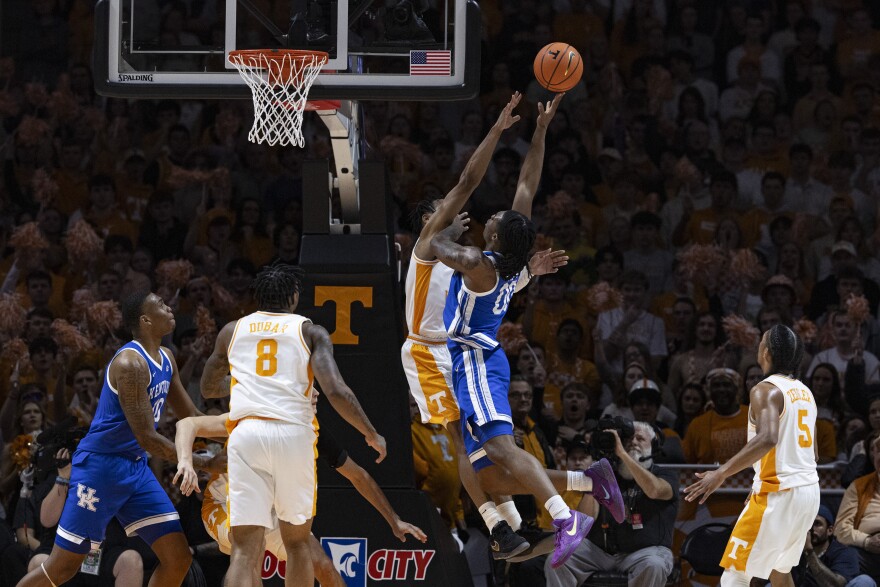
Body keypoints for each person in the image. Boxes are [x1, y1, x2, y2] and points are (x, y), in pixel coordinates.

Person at [430, 156, 625, 568]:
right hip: (469, 365)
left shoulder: (479, 265)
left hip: (476, 361)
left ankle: (563, 516)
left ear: (495, 236)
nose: (492, 215)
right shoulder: (514, 269)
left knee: (502, 447)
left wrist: (444, 229)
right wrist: (540, 131)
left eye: (494, 219)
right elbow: (526, 190)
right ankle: (587, 482)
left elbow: (434, 246)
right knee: (487, 475)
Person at [402, 92, 565, 558]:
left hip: (464, 349)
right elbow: (472, 181)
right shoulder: (431, 243)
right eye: (446, 208)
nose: (461, 212)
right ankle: (503, 524)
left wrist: (535, 131)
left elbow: (524, 193)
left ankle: (514, 522)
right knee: (464, 442)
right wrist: (501, 129)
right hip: (429, 349)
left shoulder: (484, 264)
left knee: (485, 446)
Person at [197, 264, 387, 587]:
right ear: (294, 297)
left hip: (247, 434)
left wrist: (252, 381)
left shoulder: (232, 330)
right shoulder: (310, 331)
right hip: (292, 433)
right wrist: (370, 432)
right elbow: (336, 390)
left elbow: (208, 388)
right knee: (297, 543)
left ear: (257, 298)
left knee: (243, 550)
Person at [16, 291, 220, 587]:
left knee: (178, 558)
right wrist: (207, 461)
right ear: (146, 320)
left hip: (134, 467)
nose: (170, 307)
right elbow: (148, 438)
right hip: (100, 468)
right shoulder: (130, 363)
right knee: (62, 568)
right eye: (162, 305)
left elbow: (193, 416)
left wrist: (241, 424)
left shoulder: (167, 358)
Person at [173, 398, 426, 587]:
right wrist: (188, 460)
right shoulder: (255, 415)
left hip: (273, 508)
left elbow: (358, 475)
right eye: (306, 385)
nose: (314, 392)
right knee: (252, 545)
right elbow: (188, 423)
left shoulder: (312, 429)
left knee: (324, 567)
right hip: (225, 504)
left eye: (314, 387)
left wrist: (394, 519)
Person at [684, 324, 820, 587]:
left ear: (766, 352)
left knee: (734, 576)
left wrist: (721, 472)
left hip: (779, 493)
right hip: (808, 493)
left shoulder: (765, 389)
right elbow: (812, 453)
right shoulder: (806, 392)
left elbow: (769, 437)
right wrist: (760, 483)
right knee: (780, 571)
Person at [545, 421, 679, 586]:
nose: (633, 442)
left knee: (654, 565)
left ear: (653, 446)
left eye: (640, 438)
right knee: (557, 559)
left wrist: (623, 454)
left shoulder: (666, 475)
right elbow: (585, 519)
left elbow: (654, 490)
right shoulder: (608, 474)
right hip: (601, 552)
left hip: (646, 552)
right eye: (628, 439)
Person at [790, 505, 877, 587]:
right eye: (808, 523)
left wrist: (809, 552)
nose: (811, 528)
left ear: (830, 530)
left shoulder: (845, 553)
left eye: (817, 524)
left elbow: (834, 585)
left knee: (864, 581)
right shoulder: (794, 551)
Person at [835, 434, 880, 579]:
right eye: (878, 450)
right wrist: (866, 542)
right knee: (847, 557)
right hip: (867, 549)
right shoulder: (858, 486)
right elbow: (841, 528)